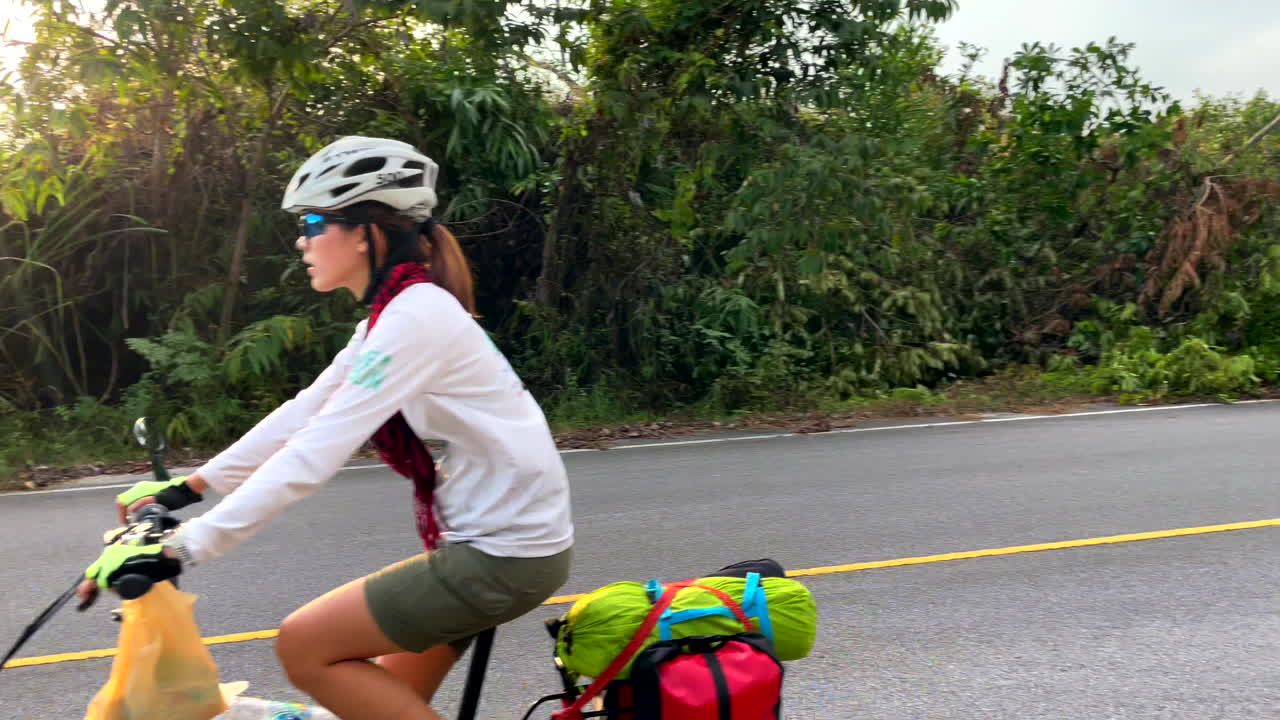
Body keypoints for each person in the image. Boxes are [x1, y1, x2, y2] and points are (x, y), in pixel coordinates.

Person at [80, 136, 575, 720]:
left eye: (313, 222)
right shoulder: (393, 317)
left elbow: (316, 451)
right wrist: (186, 489)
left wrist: (185, 547)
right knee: (371, 710)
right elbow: (305, 411)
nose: (302, 240)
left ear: (365, 232)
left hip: (503, 555)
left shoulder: (416, 319)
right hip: (493, 541)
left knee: (304, 645)